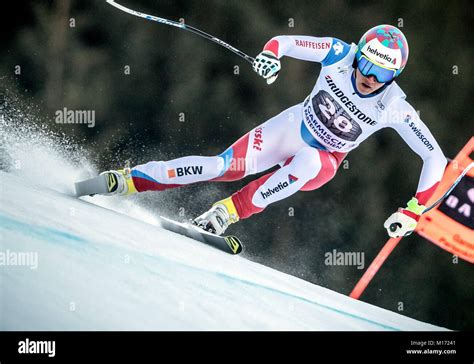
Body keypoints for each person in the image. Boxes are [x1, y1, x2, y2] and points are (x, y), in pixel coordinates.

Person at [101, 24, 447, 238]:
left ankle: (226, 213)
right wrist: (271, 56)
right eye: (368, 64)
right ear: (359, 56)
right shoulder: (340, 53)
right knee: (221, 167)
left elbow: (433, 155)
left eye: (382, 74)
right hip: (291, 127)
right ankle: (132, 178)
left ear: (393, 77)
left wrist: (415, 208)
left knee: (310, 160)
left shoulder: (394, 106)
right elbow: (286, 42)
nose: (370, 77)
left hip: (322, 161)